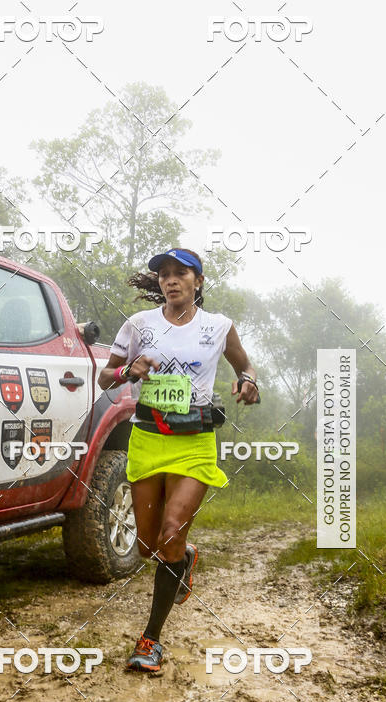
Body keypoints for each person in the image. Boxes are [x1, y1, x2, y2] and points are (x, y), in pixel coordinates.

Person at [97, 248, 259, 673]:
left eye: (180, 273)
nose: (171, 280)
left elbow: (245, 367)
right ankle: (184, 557)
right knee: (150, 545)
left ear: (197, 281)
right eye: (164, 275)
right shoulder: (138, 325)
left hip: (195, 442)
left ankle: (151, 640)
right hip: (148, 439)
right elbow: (105, 377)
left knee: (169, 533)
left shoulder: (219, 327)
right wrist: (131, 370)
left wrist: (248, 381)